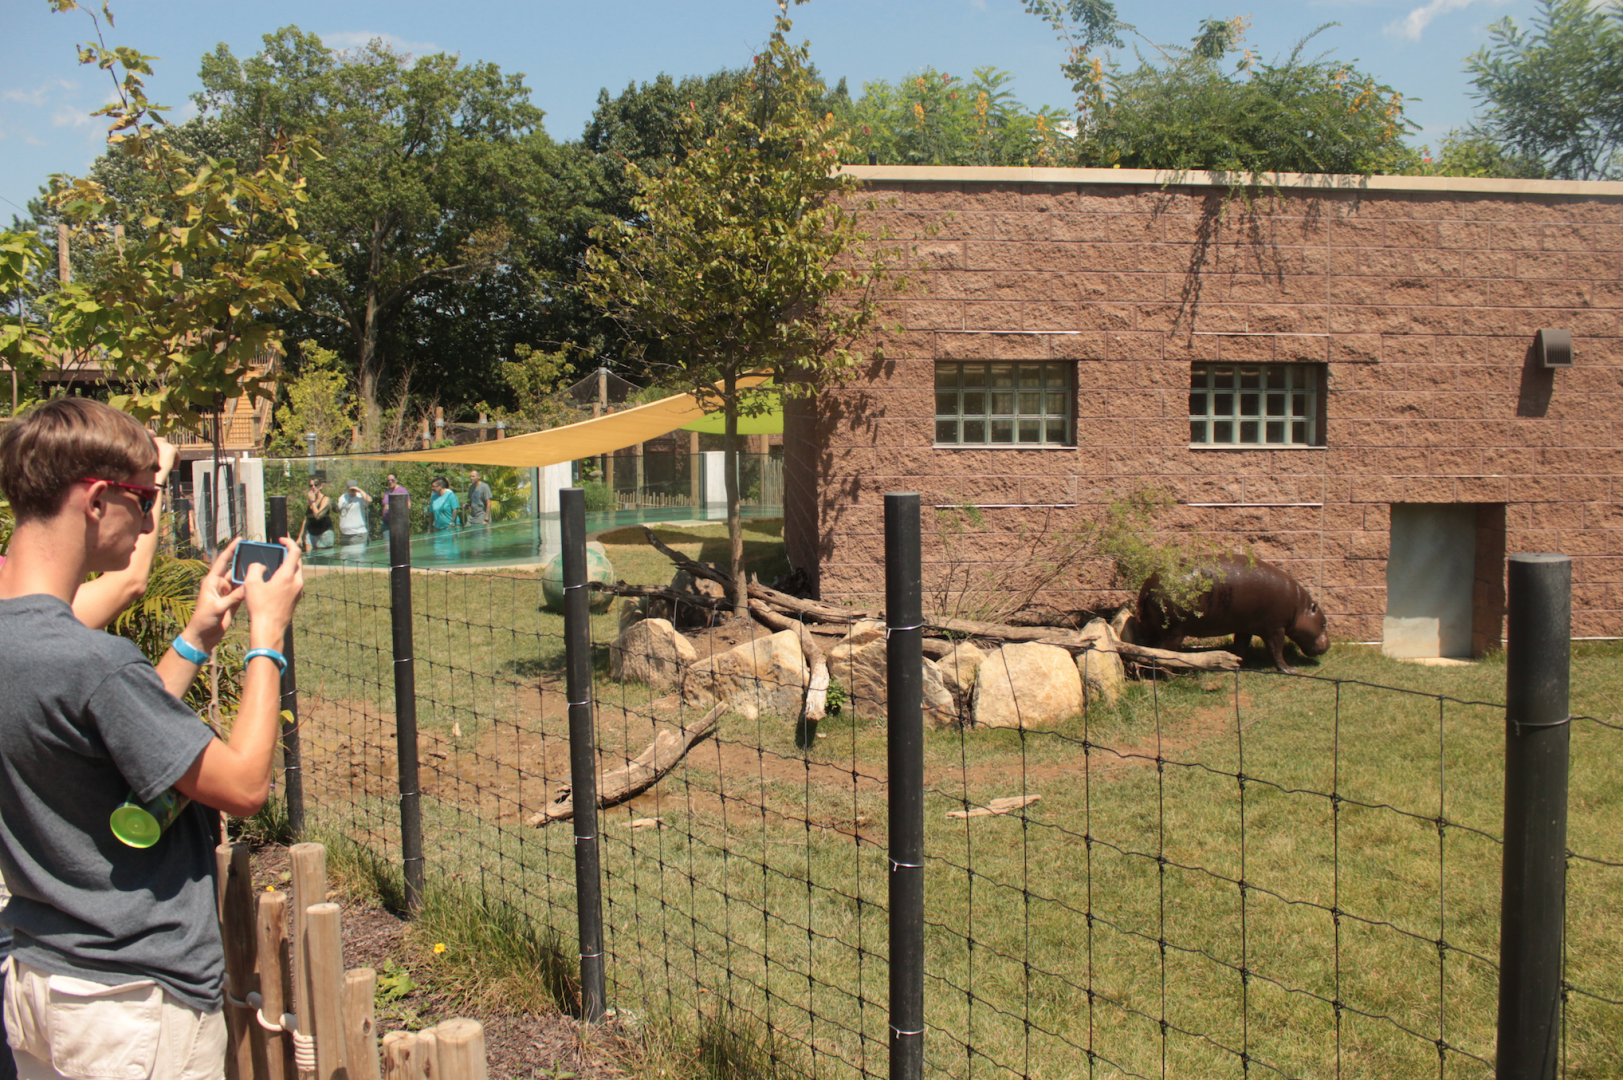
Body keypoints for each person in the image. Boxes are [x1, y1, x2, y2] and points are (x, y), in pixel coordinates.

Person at [0, 398, 304, 1080]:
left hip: (39, 980)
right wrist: (267, 638)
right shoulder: (92, 662)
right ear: (98, 499)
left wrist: (194, 640)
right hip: (129, 1003)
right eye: (143, 499)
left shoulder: (29, 642)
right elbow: (244, 785)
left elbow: (104, 732)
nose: (146, 520)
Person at [299, 477, 333, 551]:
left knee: (322, 559)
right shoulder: (311, 500)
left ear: (320, 486)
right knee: (309, 557)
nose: (313, 487)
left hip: (324, 532)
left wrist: (313, 502)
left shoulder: (325, 499)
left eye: (316, 485)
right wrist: (300, 537)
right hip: (311, 531)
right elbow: (306, 519)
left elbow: (318, 516)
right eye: (311, 485)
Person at [336, 479, 372, 550]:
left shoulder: (360, 497)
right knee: (345, 557)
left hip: (357, 533)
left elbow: (369, 500)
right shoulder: (343, 497)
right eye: (350, 490)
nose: (352, 492)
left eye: (354, 490)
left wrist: (359, 490)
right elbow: (340, 509)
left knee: (356, 557)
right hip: (345, 533)